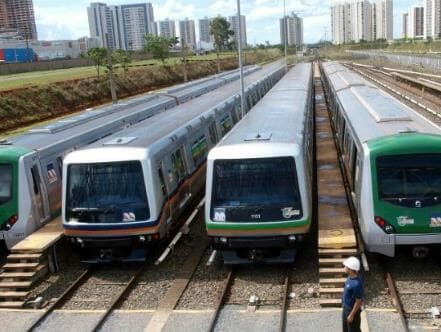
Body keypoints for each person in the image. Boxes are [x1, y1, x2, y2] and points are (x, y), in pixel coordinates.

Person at [342, 256, 363, 332]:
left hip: (351, 311)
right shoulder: (350, 277)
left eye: (346, 267)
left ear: (350, 270)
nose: (344, 267)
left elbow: (358, 301)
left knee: (353, 330)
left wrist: (351, 315)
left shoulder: (356, 284)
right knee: (345, 329)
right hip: (346, 308)